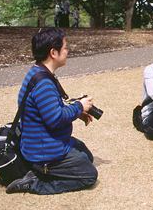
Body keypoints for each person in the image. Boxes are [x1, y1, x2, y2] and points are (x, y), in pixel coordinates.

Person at [6, 27, 98, 194]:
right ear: (53, 53)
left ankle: (41, 170)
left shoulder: (39, 71)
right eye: (65, 47)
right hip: (45, 152)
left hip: (45, 143)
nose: (67, 51)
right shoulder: (44, 83)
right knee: (89, 175)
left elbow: (50, 109)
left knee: (87, 157)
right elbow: (55, 119)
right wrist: (78, 106)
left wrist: (77, 112)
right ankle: (35, 182)